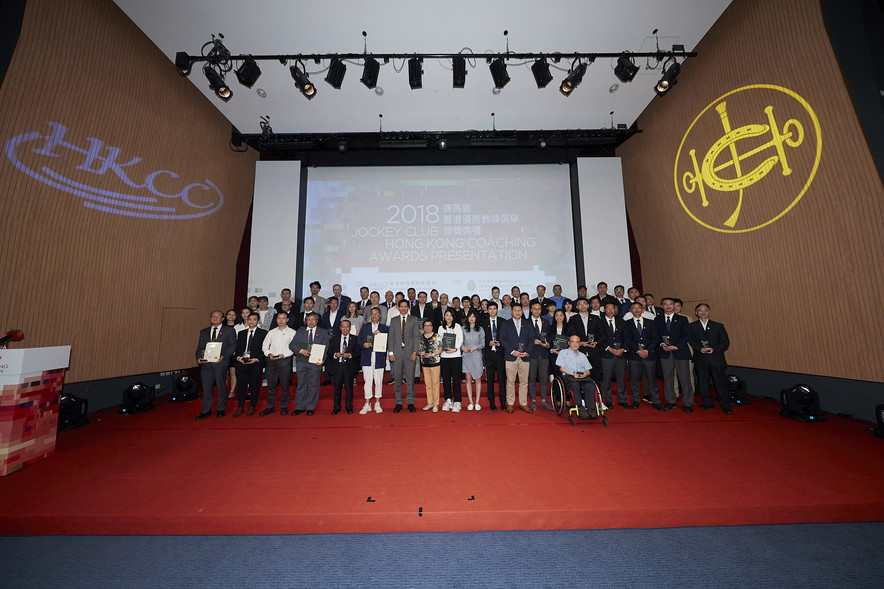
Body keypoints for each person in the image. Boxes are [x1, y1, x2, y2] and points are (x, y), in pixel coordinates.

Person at [689, 303, 733, 414]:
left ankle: (725, 405)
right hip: (700, 358)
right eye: (700, 310)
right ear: (696, 312)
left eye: (705, 310)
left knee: (720, 383)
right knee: (703, 382)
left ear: (709, 311)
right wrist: (699, 348)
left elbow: (725, 343)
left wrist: (714, 349)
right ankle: (707, 402)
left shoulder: (718, 326)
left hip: (716, 359)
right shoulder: (692, 326)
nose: (703, 312)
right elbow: (691, 341)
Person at [194, 310, 238, 420]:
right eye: (213, 316)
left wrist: (224, 356)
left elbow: (232, 346)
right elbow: (200, 347)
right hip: (206, 364)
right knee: (207, 387)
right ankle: (205, 410)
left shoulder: (229, 330)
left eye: (218, 316)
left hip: (221, 363)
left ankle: (220, 409)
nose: (215, 318)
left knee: (221, 386)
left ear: (223, 319)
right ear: (210, 318)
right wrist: (199, 357)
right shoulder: (204, 332)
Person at [623, 302, 664, 411]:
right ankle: (635, 400)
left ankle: (656, 401)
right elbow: (627, 339)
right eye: (634, 308)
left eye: (638, 308)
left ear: (642, 309)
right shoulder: (626, 323)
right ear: (630, 310)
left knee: (651, 379)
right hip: (634, 355)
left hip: (649, 354)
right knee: (634, 379)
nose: (636, 310)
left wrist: (647, 350)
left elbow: (656, 338)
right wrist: (637, 350)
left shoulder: (651, 322)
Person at [656, 297, 695, 412]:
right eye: (665, 304)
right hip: (665, 352)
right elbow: (656, 335)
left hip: (680, 352)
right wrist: (662, 343)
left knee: (685, 377)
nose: (668, 306)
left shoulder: (682, 319)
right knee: (668, 378)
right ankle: (671, 400)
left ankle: (687, 402)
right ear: (662, 306)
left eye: (671, 304)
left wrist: (676, 346)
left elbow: (687, 336)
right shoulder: (657, 320)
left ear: (674, 306)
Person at [289, 312, 328, 416]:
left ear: (317, 321)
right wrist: (301, 350)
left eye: (313, 319)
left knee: (313, 385)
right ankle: (300, 407)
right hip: (302, 362)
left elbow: (326, 348)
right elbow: (292, 345)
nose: (311, 322)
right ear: (306, 321)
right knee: (301, 384)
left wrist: (323, 359)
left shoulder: (323, 332)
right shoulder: (300, 331)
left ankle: (310, 406)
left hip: (315, 363)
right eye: (309, 320)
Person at [499, 303, 535, 414]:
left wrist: (527, 352)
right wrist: (512, 351)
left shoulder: (528, 324)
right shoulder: (506, 324)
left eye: (520, 310)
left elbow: (531, 339)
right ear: (511, 312)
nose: (518, 312)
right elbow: (503, 339)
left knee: (524, 381)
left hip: (524, 357)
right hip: (511, 357)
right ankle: (510, 403)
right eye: (515, 310)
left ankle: (523, 403)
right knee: (510, 381)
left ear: (522, 312)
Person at [260, 311, 296, 415]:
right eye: (279, 318)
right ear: (276, 320)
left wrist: (284, 354)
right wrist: (268, 353)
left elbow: (294, 348)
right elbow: (265, 345)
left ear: (287, 319)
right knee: (271, 385)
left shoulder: (292, 332)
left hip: (285, 360)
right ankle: (270, 406)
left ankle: (284, 407)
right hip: (271, 361)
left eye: (283, 318)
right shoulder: (271, 332)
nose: (281, 320)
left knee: (285, 386)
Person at [387, 299, 420, 413]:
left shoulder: (413, 319)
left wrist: (415, 352)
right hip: (396, 353)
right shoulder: (394, 320)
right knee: (397, 379)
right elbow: (390, 338)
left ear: (408, 308)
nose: (403, 308)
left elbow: (416, 337)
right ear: (398, 307)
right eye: (401, 306)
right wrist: (390, 353)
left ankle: (410, 402)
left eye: (406, 306)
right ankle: (398, 402)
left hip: (410, 353)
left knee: (410, 379)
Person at [232, 312, 266, 417]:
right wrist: (238, 357)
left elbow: (265, 350)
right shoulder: (241, 333)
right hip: (242, 363)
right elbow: (237, 349)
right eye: (249, 319)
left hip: (255, 363)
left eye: (254, 319)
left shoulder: (264, 333)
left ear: (258, 321)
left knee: (254, 386)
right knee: (241, 386)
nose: (251, 321)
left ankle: (252, 406)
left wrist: (257, 359)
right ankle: (240, 407)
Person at [556, 335, 598, 420]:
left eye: (577, 342)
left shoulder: (582, 355)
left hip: (582, 376)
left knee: (590, 385)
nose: (575, 344)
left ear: (579, 344)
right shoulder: (563, 353)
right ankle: (580, 407)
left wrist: (584, 374)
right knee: (574, 385)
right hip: (569, 376)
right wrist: (573, 374)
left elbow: (588, 371)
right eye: (573, 342)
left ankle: (590, 408)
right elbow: (562, 368)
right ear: (569, 343)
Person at [567, 297, 607, 384]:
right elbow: (569, 335)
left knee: (596, 374)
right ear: (577, 307)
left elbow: (603, 334)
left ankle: (597, 396)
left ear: (588, 305)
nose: (582, 306)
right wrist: (579, 343)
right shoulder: (573, 319)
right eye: (580, 304)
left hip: (594, 351)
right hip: (579, 351)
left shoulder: (596, 318)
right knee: (580, 376)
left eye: (584, 304)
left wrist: (597, 342)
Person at [358, 307, 388, 414]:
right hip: (367, 357)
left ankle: (377, 402)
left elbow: (388, 343)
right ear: (369, 315)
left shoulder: (384, 328)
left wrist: (381, 335)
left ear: (380, 315)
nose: (374, 316)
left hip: (379, 358)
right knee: (367, 381)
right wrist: (363, 344)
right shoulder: (365, 327)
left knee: (379, 381)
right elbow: (359, 340)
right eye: (372, 314)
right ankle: (367, 403)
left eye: (376, 314)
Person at [328, 319, 360, 414]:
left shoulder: (355, 339)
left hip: (349, 367)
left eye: (347, 326)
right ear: (340, 328)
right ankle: (336, 407)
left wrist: (350, 355)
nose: (345, 328)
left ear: (350, 328)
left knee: (349, 388)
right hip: (337, 366)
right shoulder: (334, 338)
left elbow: (358, 352)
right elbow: (329, 352)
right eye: (343, 326)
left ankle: (349, 406)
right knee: (337, 388)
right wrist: (335, 354)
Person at [600, 302, 628, 409]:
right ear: (604, 310)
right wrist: (609, 348)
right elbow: (599, 337)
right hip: (607, 354)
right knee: (606, 378)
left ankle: (623, 399)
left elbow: (627, 336)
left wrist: (622, 349)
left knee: (621, 378)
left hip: (621, 354)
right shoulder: (600, 322)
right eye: (608, 308)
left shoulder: (622, 321)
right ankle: (608, 400)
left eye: (613, 308)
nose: (611, 310)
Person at [438, 309, 464, 412]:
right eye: (446, 315)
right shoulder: (441, 328)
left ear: (453, 317)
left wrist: (455, 348)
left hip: (456, 356)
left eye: (450, 315)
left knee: (456, 380)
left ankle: (457, 401)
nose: (448, 317)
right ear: (444, 317)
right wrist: (443, 348)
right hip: (444, 357)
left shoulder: (457, 327)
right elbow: (439, 340)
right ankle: (448, 400)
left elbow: (460, 339)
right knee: (446, 380)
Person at [526, 302, 551, 411]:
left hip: (544, 354)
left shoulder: (546, 322)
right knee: (531, 378)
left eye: (539, 309)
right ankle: (533, 401)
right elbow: (523, 338)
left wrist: (547, 344)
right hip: (531, 354)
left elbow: (550, 336)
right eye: (535, 309)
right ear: (531, 310)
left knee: (544, 378)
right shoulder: (525, 322)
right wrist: (532, 341)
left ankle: (544, 400)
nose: (537, 311)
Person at [482, 301, 506, 411]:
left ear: (497, 310)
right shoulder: (483, 323)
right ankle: (491, 402)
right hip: (489, 355)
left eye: (494, 309)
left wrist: (500, 342)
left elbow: (506, 337)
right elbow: (481, 338)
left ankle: (502, 401)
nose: (492, 311)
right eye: (490, 309)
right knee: (490, 380)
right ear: (487, 310)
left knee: (502, 379)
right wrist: (488, 342)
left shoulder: (503, 322)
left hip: (500, 354)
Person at [461, 311, 485, 411]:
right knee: (468, 378)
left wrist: (476, 347)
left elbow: (483, 344)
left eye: (473, 316)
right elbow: (459, 342)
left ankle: (477, 402)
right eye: (470, 316)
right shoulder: (462, 328)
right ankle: (471, 402)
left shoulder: (480, 329)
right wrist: (463, 348)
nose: (471, 318)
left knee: (478, 379)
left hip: (476, 355)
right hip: (466, 356)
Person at [419, 319, 442, 412]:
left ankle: (436, 404)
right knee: (428, 384)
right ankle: (430, 402)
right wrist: (420, 353)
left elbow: (440, 349)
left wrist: (432, 355)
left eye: (429, 325)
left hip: (435, 362)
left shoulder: (437, 336)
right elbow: (418, 350)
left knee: (435, 384)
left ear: (432, 327)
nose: (427, 327)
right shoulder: (421, 337)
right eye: (425, 325)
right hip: (424, 362)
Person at [547, 309, 570, 383]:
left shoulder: (569, 328)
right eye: (557, 315)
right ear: (554, 317)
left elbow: (572, 341)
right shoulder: (550, 328)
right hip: (553, 354)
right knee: (556, 374)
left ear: (564, 317)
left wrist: (564, 351)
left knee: (564, 376)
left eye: (561, 315)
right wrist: (552, 350)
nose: (559, 317)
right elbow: (548, 341)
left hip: (566, 355)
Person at [224, 309, 242, 399]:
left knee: (233, 372)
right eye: (229, 314)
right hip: (223, 352)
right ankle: (224, 391)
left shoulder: (238, 327)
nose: (231, 316)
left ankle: (232, 391)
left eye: (233, 315)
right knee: (223, 372)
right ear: (226, 316)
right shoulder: (222, 327)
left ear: (236, 317)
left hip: (234, 352)